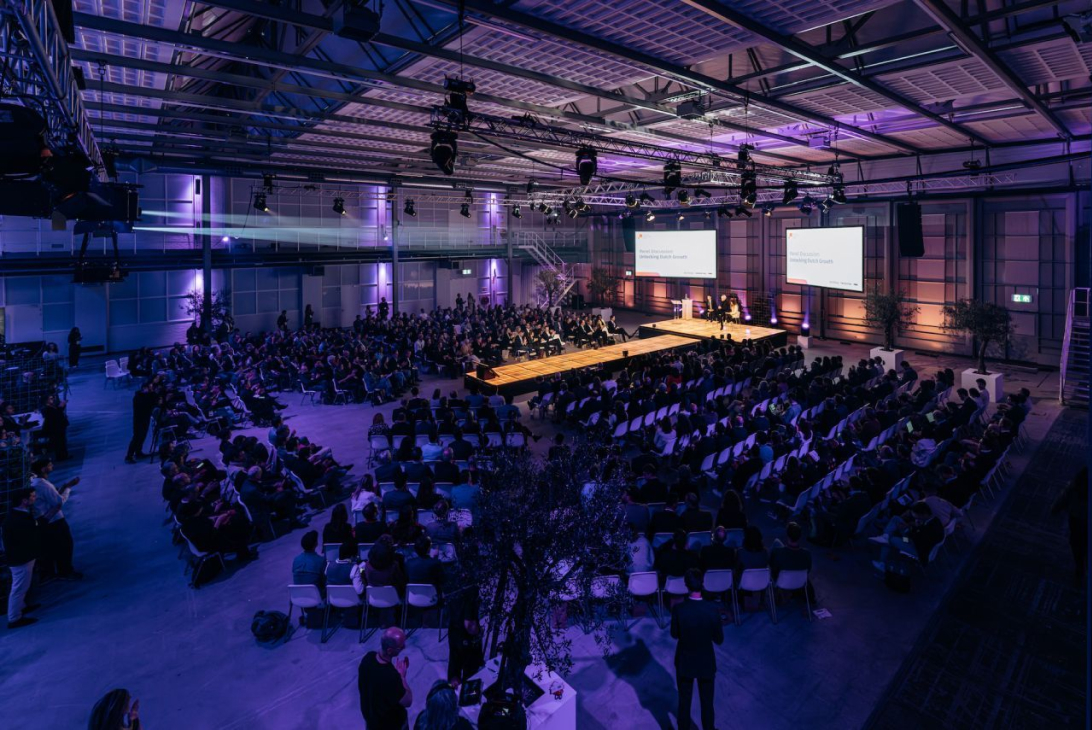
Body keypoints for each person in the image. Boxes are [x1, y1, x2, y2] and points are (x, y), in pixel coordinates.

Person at [671, 568, 724, 730]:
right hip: (706, 661)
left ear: (686, 586)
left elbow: (674, 634)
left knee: (684, 701)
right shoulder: (713, 609)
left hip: (685, 661)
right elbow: (719, 640)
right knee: (707, 702)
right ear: (703, 583)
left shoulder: (679, 610)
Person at [30, 457, 82, 580]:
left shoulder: (35, 482)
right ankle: (66, 570)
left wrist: (63, 488)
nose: (52, 466)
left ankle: (55, 571)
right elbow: (59, 502)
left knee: (54, 547)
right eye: (49, 465)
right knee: (65, 545)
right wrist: (68, 488)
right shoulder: (44, 485)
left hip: (45, 521)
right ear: (43, 469)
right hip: (55, 521)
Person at [359, 627, 413, 729]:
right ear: (390, 650)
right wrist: (401, 676)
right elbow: (408, 701)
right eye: (401, 647)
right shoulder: (391, 677)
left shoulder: (368, 658)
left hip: (371, 723)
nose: (404, 647)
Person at [3, 487, 41, 628]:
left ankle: (21, 607)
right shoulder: (17, 519)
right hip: (21, 559)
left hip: (23, 557)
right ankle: (14, 618)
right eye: (32, 496)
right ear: (24, 501)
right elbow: (30, 534)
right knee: (19, 588)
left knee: (23, 586)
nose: (34, 498)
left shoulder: (17, 514)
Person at [126, 381, 158, 463]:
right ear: (144, 388)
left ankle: (138, 452)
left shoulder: (147, 395)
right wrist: (151, 395)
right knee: (137, 437)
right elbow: (146, 405)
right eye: (149, 388)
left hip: (145, 419)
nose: (151, 389)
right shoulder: (138, 397)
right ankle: (129, 456)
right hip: (139, 420)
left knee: (143, 436)